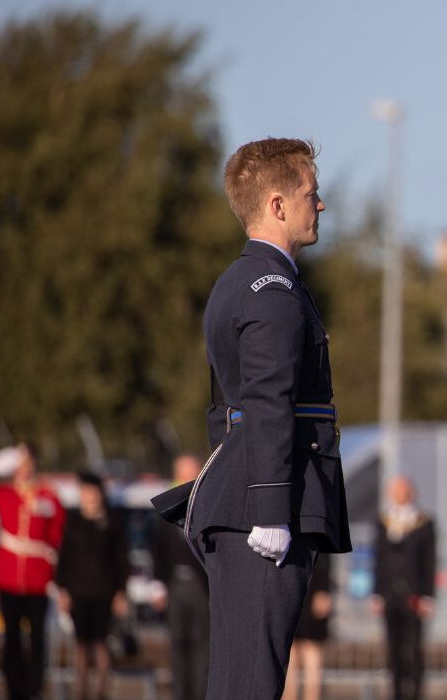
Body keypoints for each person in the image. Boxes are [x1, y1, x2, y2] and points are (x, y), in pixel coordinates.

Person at [151, 137, 351, 698]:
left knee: (243, 675)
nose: (322, 204)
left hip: (245, 499)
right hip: (265, 511)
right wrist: (269, 507)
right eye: (312, 193)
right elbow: (266, 401)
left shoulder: (242, 282)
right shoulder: (273, 291)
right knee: (252, 681)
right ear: (278, 205)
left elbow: (226, 411)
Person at [0, 444, 65, 700]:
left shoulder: (49, 497)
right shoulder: (5, 494)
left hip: (37, 578)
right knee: (11, 637)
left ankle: (34, 687)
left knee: (37, 638)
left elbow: (56, 535)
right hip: (8, 576)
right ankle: (13, 688)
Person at [55, 472, 130, 700]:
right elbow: (64, 558)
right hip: (78, 592)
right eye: (84, 492)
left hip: (104, 592)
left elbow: (121, 559)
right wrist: (62, 591)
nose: (89, 496)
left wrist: (121, 592)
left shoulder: (112, 521)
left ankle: (101, 692)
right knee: (80, 644)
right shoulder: (72, 521)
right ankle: (80, 691)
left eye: (93, 492)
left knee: (100, 643)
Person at [150, 454, 210, 700]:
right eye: (182, 473)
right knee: (177, 643)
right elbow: (157, 548)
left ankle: (200, 693)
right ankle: (180, 693)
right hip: (174, 584)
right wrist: (157, 585)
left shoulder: (208, 503)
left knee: (202, 644)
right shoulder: (166, 507)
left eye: (191, 473)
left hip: (202, 586)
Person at [372, 475, 437, 700]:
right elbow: (378, 558)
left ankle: (416, 693)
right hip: (390, 594)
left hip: (414, 593)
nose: (398, 495)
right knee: (393, 647)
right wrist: (376, 593)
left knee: (414, 647)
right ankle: (396, 692)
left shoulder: (424, 522)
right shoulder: (383, 521)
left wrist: (429, 595)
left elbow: (430, 561)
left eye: (402, 491)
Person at [283, 554, 333, 700]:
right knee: (288, 654)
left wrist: (324, 589)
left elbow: (324, 553)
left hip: (313, 589)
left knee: (311, 651)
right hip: (288, 586)